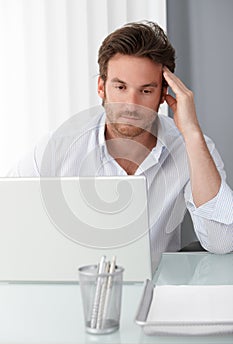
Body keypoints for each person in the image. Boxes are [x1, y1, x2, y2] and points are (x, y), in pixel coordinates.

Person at [8, 21, 233, 269]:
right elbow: (8, 214)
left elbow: (221, 241)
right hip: (73, 290)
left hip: (157, 293)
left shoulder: (191, 148)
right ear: (102, 87)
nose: (131, 104)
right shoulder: (58, 146)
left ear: (163, 95)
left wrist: (191, 132)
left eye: (146, 91)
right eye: (120, 87)